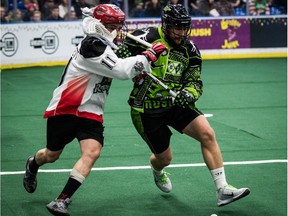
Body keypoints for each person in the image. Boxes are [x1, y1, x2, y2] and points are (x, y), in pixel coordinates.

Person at [23, 4, 167, 216]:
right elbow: (119, 70)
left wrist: (139, 68)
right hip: (67, 107)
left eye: (119, 25)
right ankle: (33, 163)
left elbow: (119, 65)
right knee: (52, 154)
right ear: (103, 26)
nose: (119, 30)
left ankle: (62, 200)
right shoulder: (92, 44)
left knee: (92, 151)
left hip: (91, 110)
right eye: (115, 25)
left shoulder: (104, 43)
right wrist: (147, 56)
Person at [116, 4, 250, 207]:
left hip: (175, 102)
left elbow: (195, 81)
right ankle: (157, 170)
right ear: (166, 25)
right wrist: (123, 55)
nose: (181, 32)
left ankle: (222, 190)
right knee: (164, 158)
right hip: (146, 108)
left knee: (207, 133)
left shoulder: (191, 49)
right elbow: (116, 61)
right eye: (177, 27)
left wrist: (189, 93)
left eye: (184, 27)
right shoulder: (145, 37)